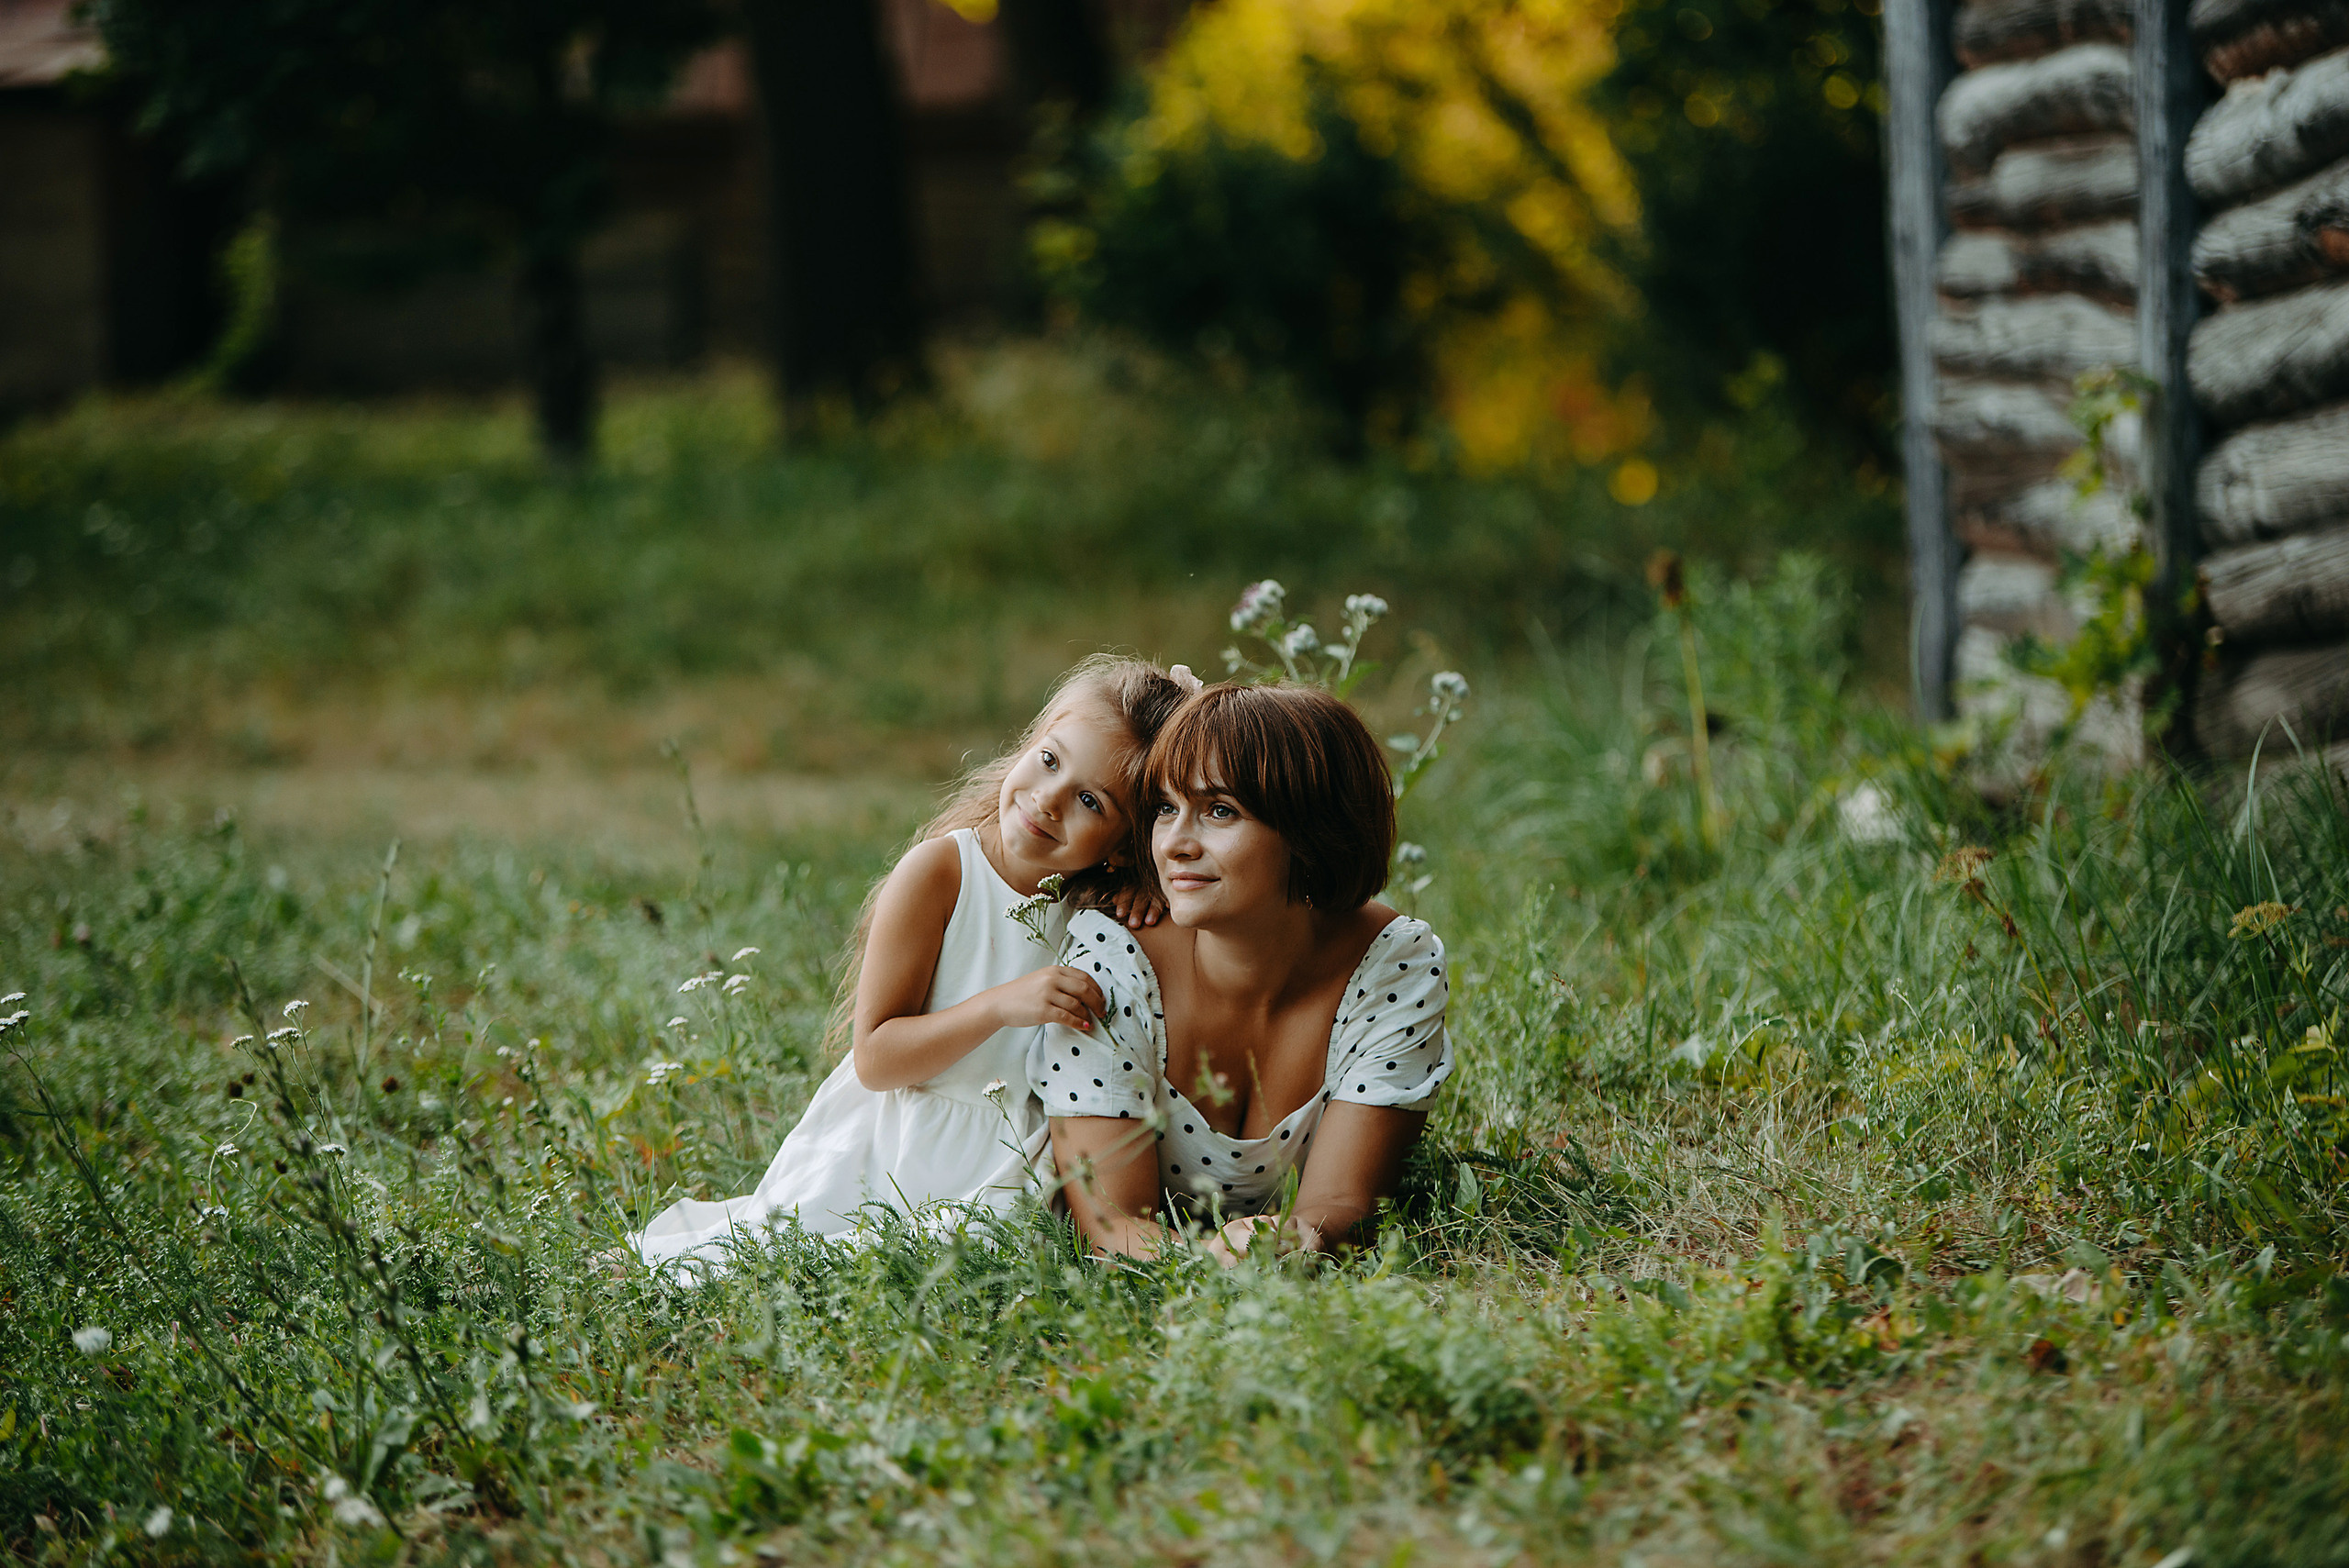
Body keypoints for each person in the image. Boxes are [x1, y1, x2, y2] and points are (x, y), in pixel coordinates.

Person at [629, 656, 1190, 1273]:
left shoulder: (1100, 907)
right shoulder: (942, 873)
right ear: (1028, 743)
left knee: (979, 1258)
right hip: (897, 1144)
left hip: (1011, 1157)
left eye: (1090, 800)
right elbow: (875, 1058)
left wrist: (1149, 892)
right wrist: (1000, 1006)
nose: (1049, 799)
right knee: (797, 1261)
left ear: (1123, 846)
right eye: (1050, 759)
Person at [1028, 682, 1452, 1263]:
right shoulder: (1110, 968)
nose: (1175, 844)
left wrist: (1293, 1241)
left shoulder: (1392, 966)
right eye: (1166, 809)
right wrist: (1215, 1261)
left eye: (1220, 811)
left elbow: (1341, 1204)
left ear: (1311, 831)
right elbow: (1111, 1223)